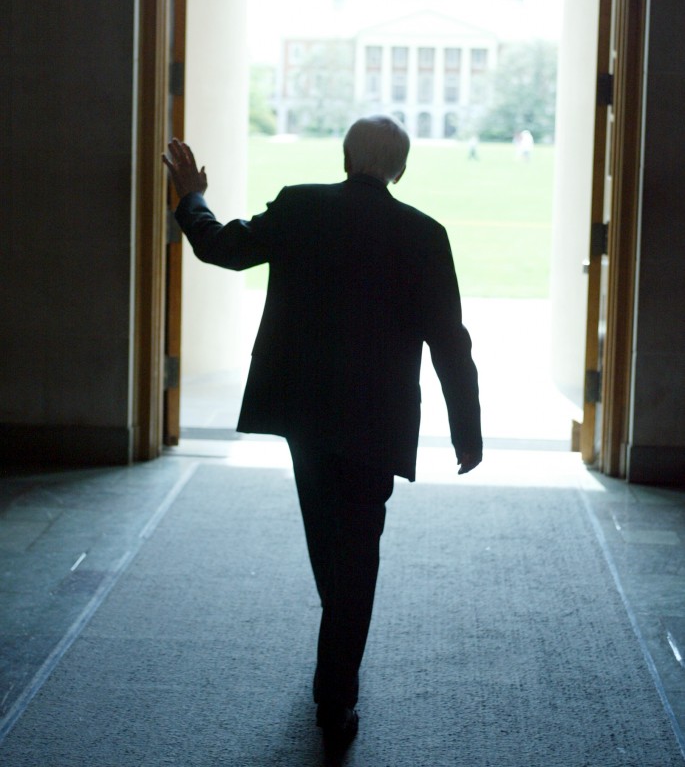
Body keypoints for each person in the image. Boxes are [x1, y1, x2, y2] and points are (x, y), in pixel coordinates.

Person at [162, 115, 482, 748]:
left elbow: (221, 247)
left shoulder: (299, 206)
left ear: (343, 158)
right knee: (358, 547)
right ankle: (336, 688)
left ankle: (337, 672)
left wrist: (192, 197)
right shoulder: (424, 234)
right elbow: (450, 340)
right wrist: (466, 430)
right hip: (377, 415)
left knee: (328, 535)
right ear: (402, 169)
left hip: (304, 407)